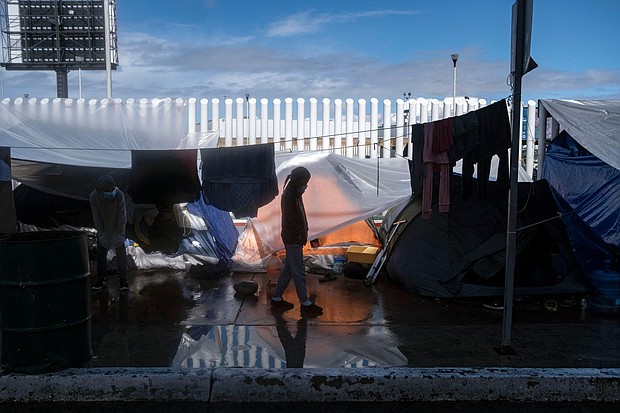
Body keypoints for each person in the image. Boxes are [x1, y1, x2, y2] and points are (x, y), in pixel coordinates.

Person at [270, 166, 323, 317]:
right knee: (298, 271)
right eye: (305, 183)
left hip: (294, 237)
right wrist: (301, 235)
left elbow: (299, 218)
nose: (306, 186)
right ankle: (305, 303)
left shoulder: (294, 193)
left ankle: (277, 297)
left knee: (288, 270)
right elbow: (292, 220)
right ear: (298, 181)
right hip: (293, 238)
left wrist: (305, 232)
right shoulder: (289, 196)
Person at [89, 174, 129, 291]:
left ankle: (123, 280)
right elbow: (96, 216)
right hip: (104, 227)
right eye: (107, 191)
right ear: (100, 191)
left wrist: (120, 233)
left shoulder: (119, 195)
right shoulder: (94, 197)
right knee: (101, 256)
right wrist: (101, 233)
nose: (110, 192)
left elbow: (122, 215)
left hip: (117, 227)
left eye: (112, 189)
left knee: (121, 255)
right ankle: (101, 279)